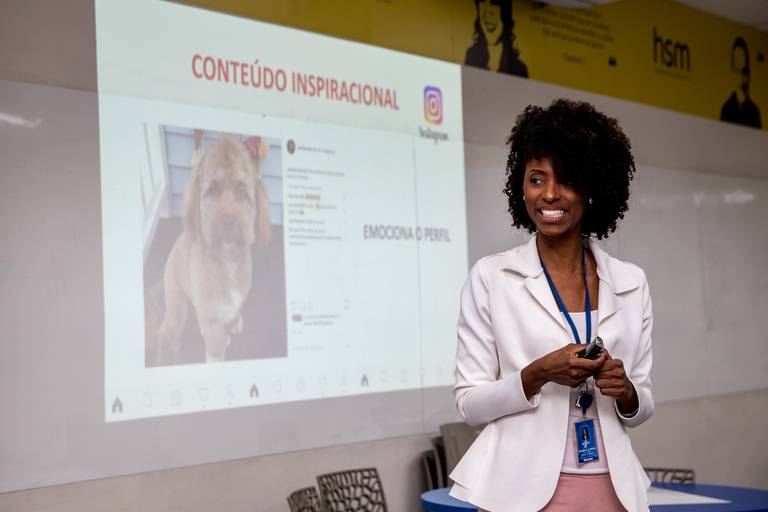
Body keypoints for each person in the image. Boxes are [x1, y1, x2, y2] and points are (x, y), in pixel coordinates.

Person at [449, 99, 654, 512]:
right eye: (536, 179)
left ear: (593, 187)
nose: (550, 194)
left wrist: (627, 392)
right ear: (520, 187)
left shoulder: (632, 283)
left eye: (567, 179)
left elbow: (643, 402)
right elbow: (469, 404)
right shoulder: (491, 278)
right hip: (517, 490)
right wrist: (538, 374)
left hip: (612, 489)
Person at [465, 0, 528, 77]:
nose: (488, 18)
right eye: (484, 12)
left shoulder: (519, 69)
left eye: (492, 12)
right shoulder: (471, 58)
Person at [720, 37, 762, 128]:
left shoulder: (754, 111)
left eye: (743, 69)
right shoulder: (726, 109)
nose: (740, 72)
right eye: (737, 67)